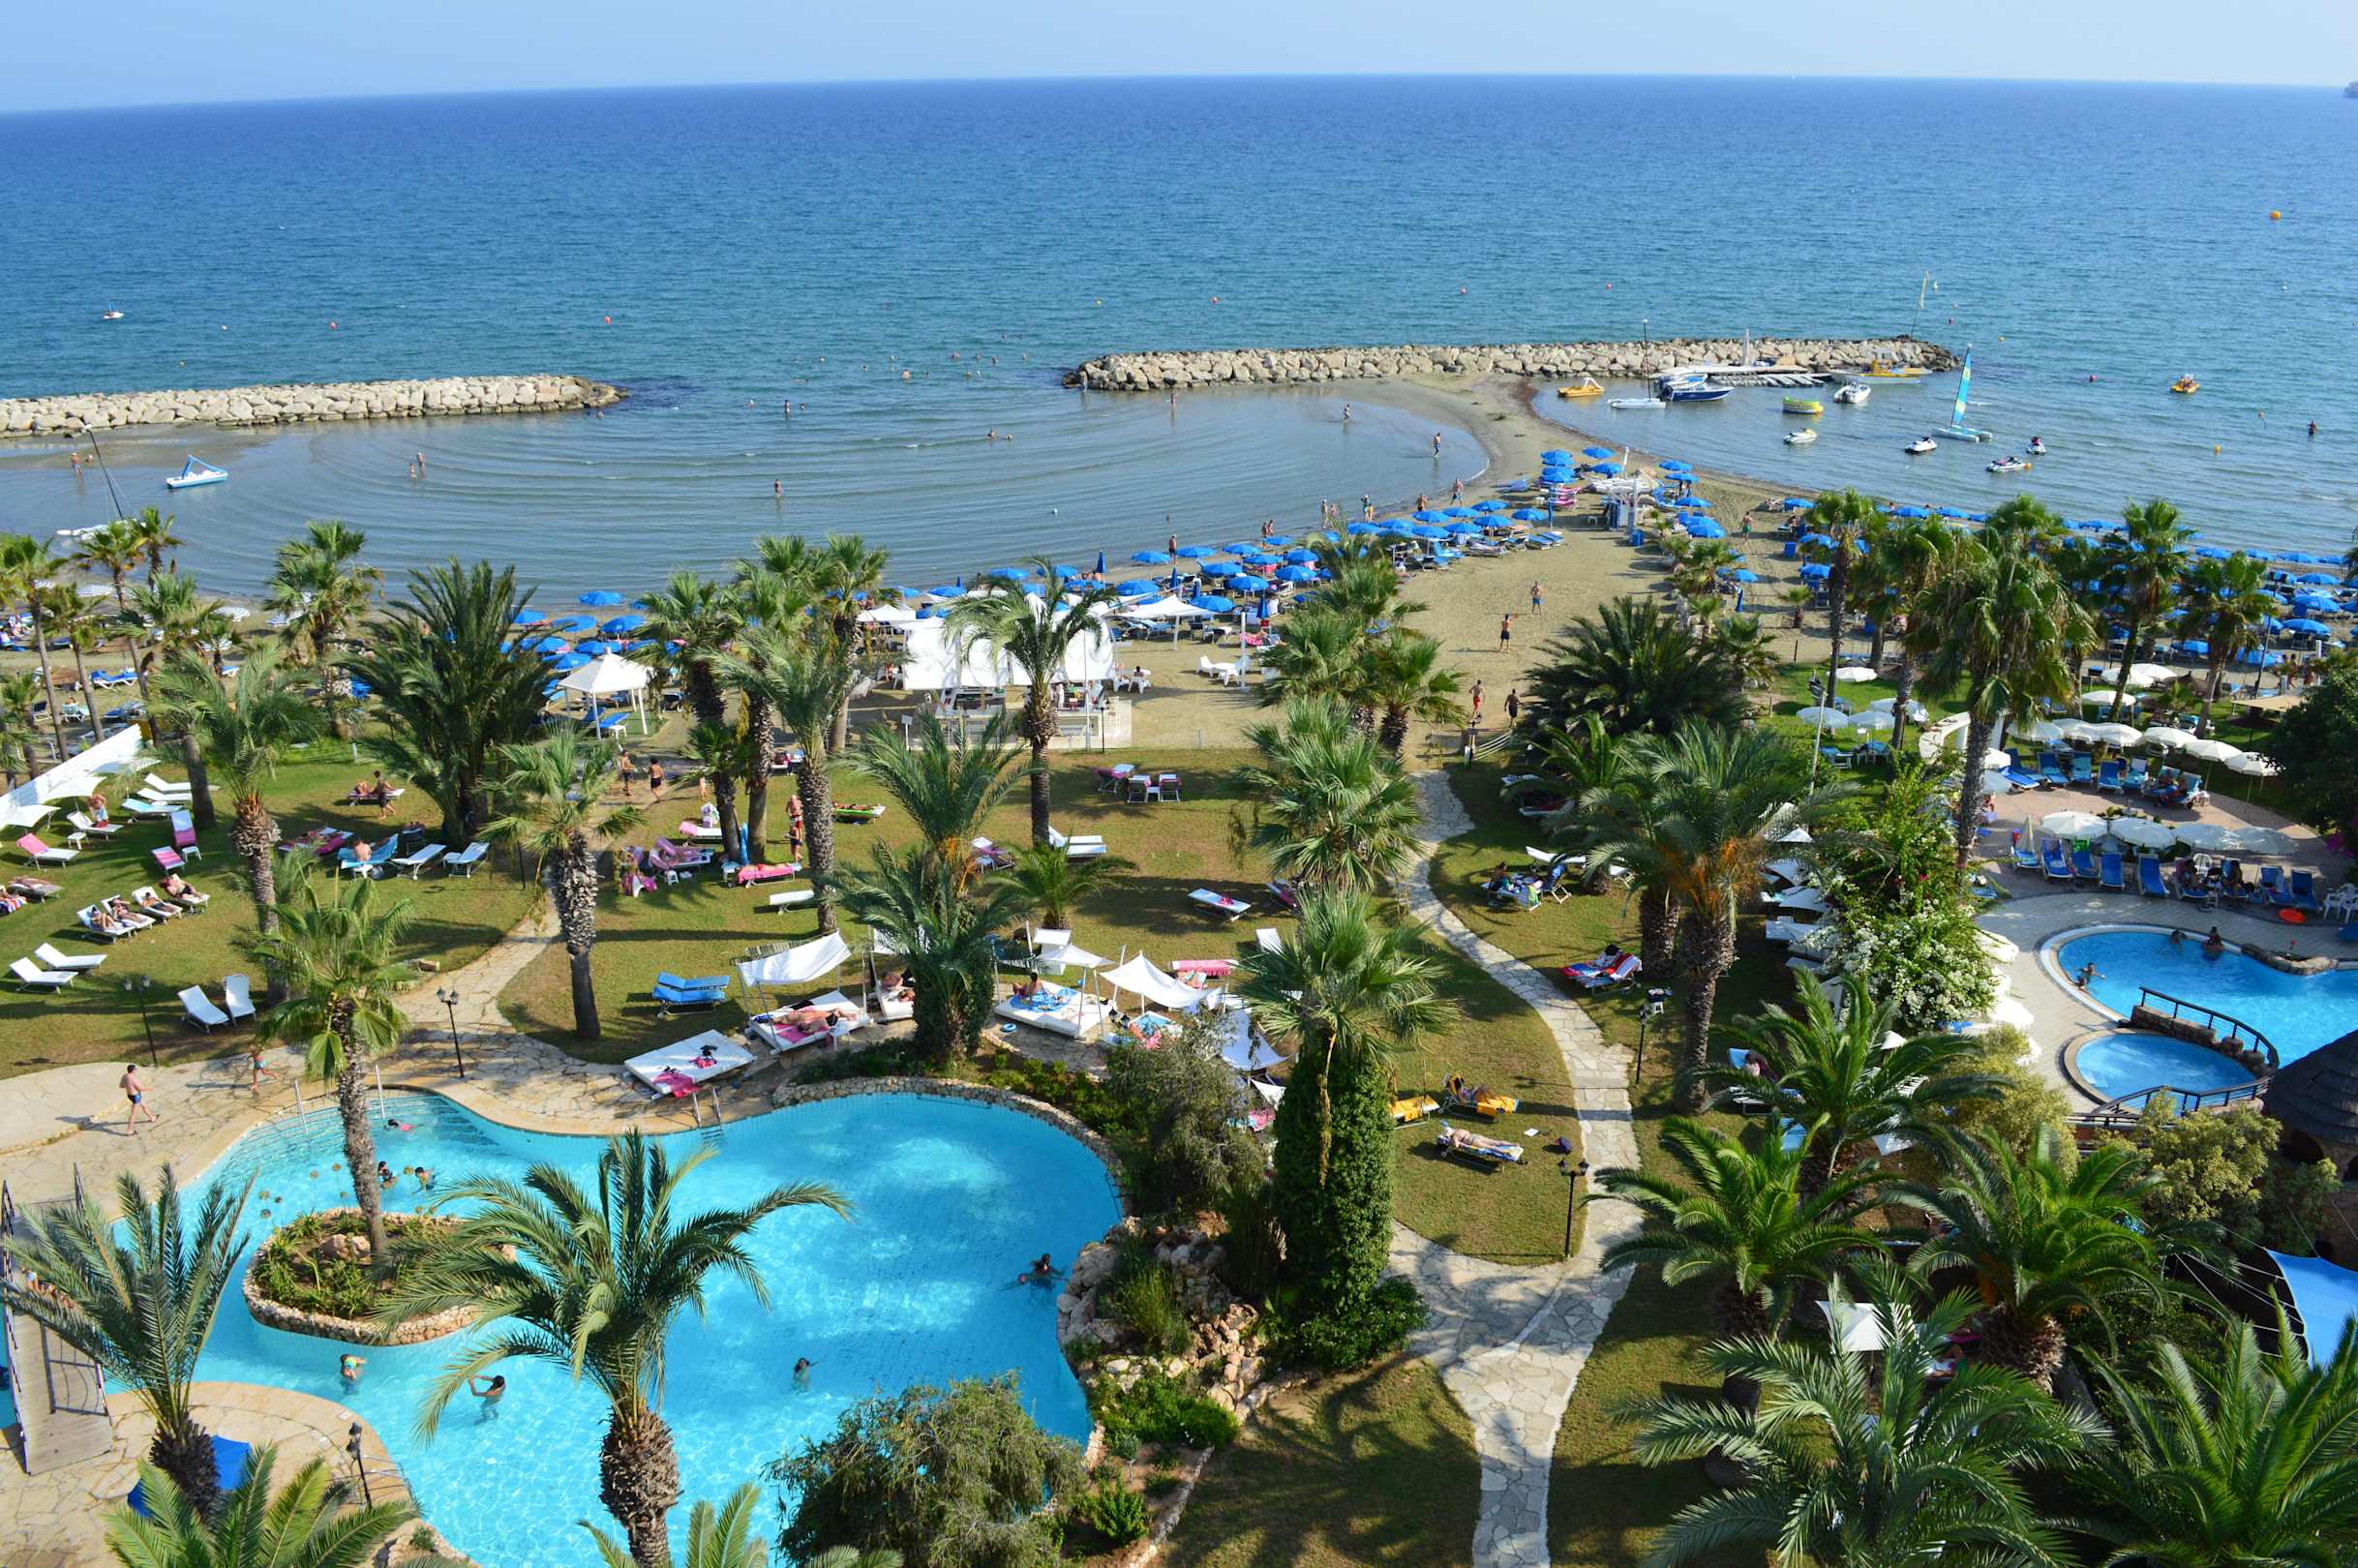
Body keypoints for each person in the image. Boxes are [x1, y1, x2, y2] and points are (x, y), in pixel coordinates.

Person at [122, 1064, 156, 1134]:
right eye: (136, 1069)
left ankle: (152, 1117)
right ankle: (130, 1131)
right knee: (133, 1114)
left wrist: (129, 1086)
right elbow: (141, 1089)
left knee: (144, 1106)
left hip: (130, 1095)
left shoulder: (124, 1076)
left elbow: (121, 1085)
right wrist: (149, 1088)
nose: (136, 1070)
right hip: (136, 1097)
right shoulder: (134, 1079)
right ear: (133, 1070)